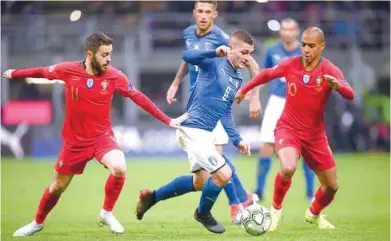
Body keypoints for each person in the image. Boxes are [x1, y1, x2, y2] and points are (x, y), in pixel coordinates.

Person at [3, 32, 188, 237]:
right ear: (89, 54)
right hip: (74, 142)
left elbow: (139, 98)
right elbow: (42, 72)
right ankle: (37, 223)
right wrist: (15, 73)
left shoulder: (115, 76)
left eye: (110, 54)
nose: (108, 59)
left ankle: (106, 212)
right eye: (104, 54)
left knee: (119, 168)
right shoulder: (68, 70)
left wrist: (168, 120)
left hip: (102, 138)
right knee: (58, 186)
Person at [136, 30, 257, 234]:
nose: (247, 58)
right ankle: (202, 213)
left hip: (205, 134)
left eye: (250, 54)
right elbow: (187, 56)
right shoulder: (213, 63)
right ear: (231, 48)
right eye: (244, 52)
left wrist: (237, 140)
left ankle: (152, 197)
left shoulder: (237, 78)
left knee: (200, 182)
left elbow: (225, 111)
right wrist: (212, 52)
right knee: (224, 173)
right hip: (192, 129)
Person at [235, 27, 354, 231]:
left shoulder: (329, 70)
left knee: (332, 187)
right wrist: (244, 89)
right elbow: (267, 75)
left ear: (321, 47)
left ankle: (313, 213)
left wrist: (338, 87)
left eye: (311, 46)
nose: (306, 49)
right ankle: (275, 210)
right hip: (288, 129)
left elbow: (350, 93)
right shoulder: (291, 64)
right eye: (303, 45)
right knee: (288, 168)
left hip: (315, 136)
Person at [165, 0, 260, 222]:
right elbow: (189, 58)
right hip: (198, 99)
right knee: (213, 165)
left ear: (215, 14)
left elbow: (253, 66)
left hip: (216, 97)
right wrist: (176, 82)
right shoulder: (188, 33)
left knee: (217, 160)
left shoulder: (223, 39)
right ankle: (242, 199)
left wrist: (253, 96)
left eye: (209, 12)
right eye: (200, 11)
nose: (204, 16)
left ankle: (237, 203)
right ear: (194, 13)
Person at [253, 18, 315, 202]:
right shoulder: (272, 51)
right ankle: (259, 191)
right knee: (266, 145)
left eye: (290, 30)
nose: (287, 33)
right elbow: (264, 75)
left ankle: (310, 193)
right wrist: (254, 95)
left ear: (297, 32)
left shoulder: (305, 51)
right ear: (281, 32)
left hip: (300, 103)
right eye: (284, 29)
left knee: (306, 148)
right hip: (277, 101)